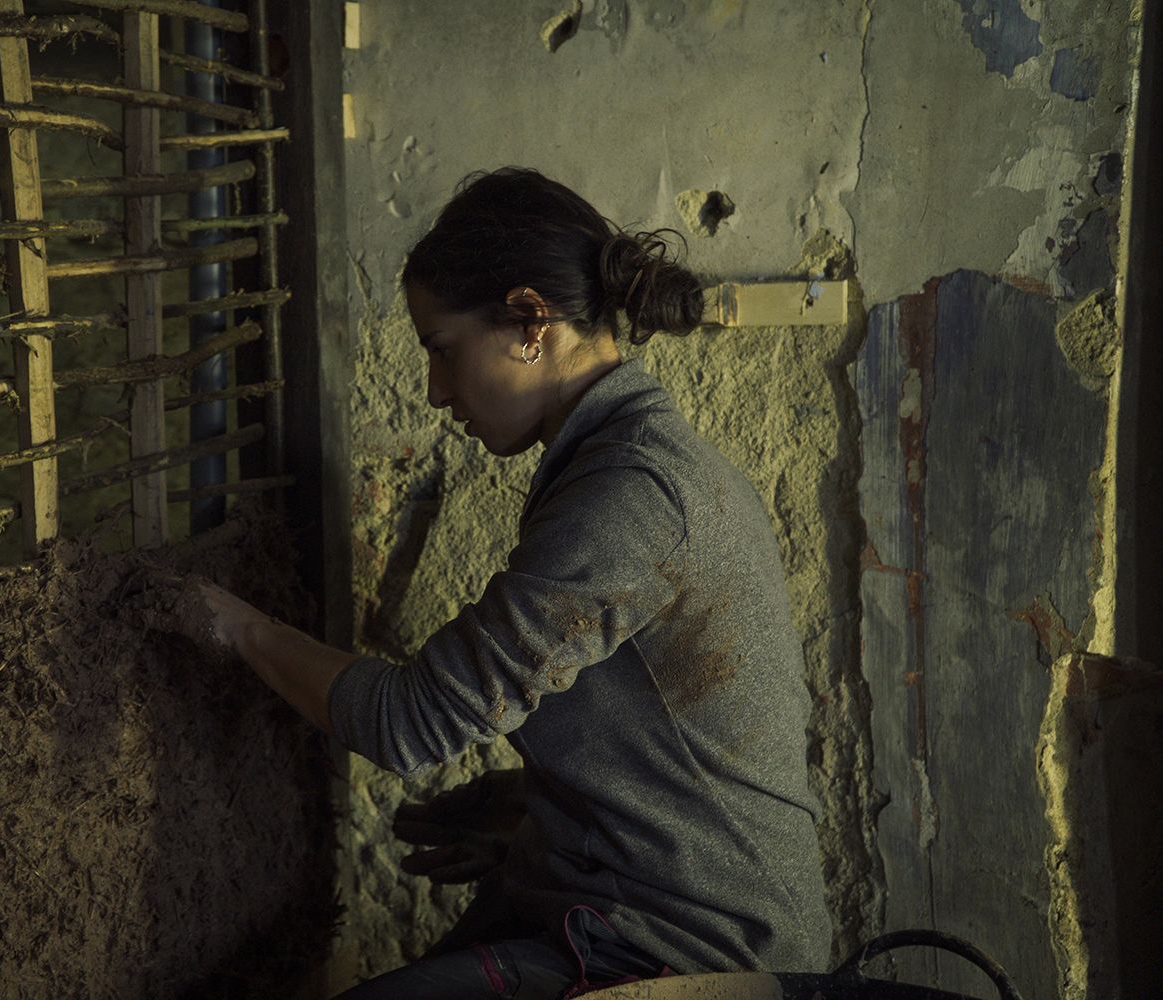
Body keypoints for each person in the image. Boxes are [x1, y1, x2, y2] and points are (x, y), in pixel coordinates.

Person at [174, 167, 832, 996]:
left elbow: (408, 724)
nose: (434, 391)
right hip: (638, 908)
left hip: (700, 953)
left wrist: (235, 628)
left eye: (442, 352)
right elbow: (669, 736)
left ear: (529, 321)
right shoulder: (630, 461)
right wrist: (541, 814)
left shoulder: (633, 496)